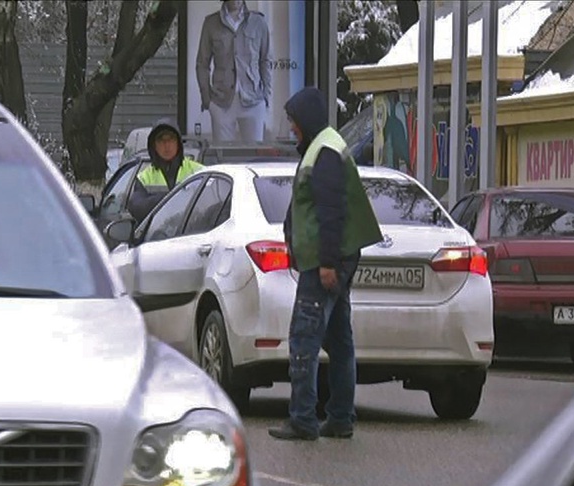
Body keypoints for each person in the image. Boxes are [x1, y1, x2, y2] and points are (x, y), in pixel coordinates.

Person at [268, 87, 383, 441]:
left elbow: (330, 213)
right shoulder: (326, 146)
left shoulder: (325, 152)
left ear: (306, 120)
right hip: (331, 259)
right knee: (338, 340)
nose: (291, 129)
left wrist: (328, 263)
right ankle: (340, 418)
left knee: (304, 338)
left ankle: (303, 418)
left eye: (293, 122)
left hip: (324, 261)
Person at [195, 0, 272, 144]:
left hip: (253, 100)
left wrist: (266, 95)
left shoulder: (258, 22)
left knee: (254, 157)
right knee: (223, 159)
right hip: (221, 102)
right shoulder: (211, 23)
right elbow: (202, 64)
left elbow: (265, 60)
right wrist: (207, 99)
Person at [127, 119, 204, 223]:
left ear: (178, 143)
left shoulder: (199, 171)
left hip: (192, 234)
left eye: (171, 139)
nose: (167, 145)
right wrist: (170, 199)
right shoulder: (145, 178)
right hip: (156, 235)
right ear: (154, 145)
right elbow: (136, 206)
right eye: (161, 140)